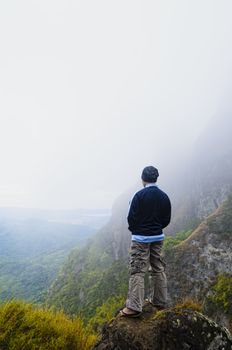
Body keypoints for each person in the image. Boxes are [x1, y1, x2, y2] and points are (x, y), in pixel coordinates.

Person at [120, 165, 171, 317]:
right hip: (158, 237)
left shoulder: (138, 195)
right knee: (158, 267)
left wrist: (137, 230)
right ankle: (159, 302)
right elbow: (166, 219)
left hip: (140, 238)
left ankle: (135, 307)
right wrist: (156, 228)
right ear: (156, 178)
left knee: (137, 269)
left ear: (143, 179)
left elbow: (131, 218)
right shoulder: (164, 196)